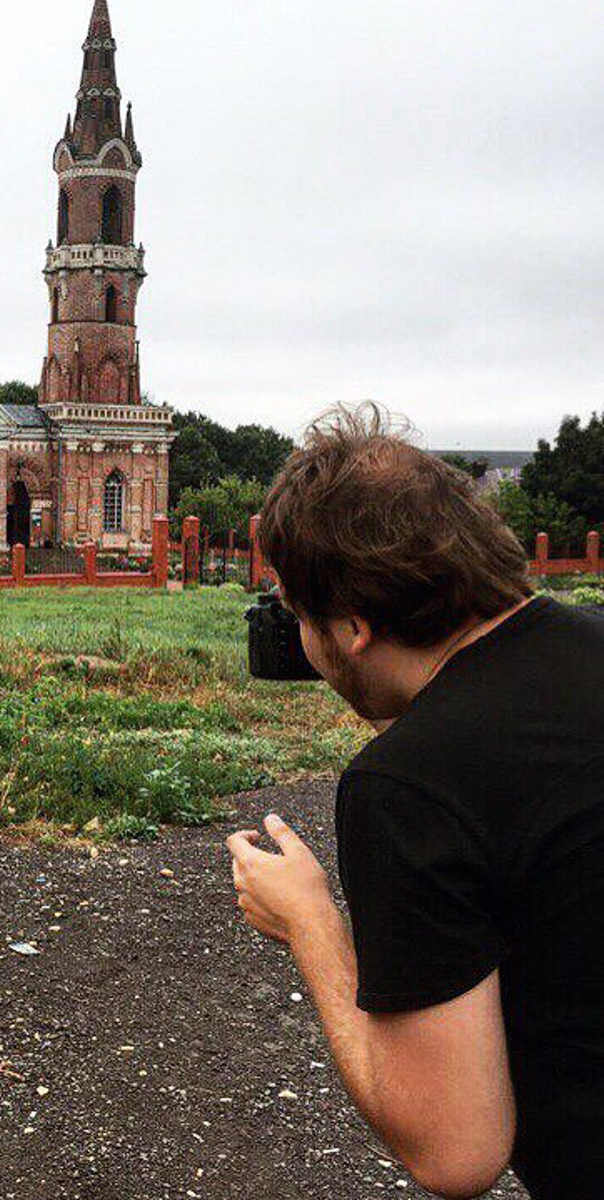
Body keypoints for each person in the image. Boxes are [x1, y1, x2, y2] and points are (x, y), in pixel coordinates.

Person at [226, 403, 603, 1200]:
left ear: (353, 626)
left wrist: (311, 923)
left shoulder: (411, 783)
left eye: (300, 614)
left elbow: (455, 1150)